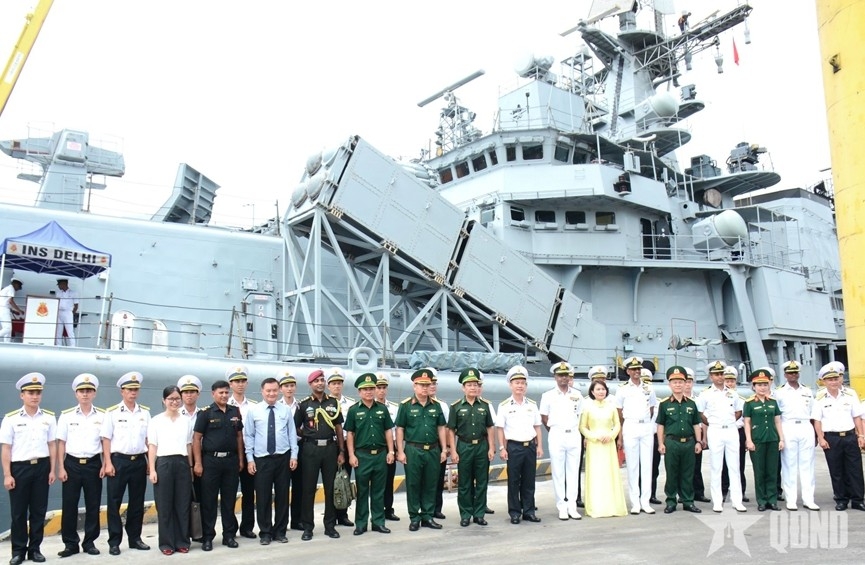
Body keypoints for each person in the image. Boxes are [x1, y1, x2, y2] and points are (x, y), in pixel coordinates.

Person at [1, 373, 56, 565]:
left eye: (38, 392)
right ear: (22, 395)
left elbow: (52, 445)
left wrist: (52, 470)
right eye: (30, 392)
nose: (35, 396)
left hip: (41, 467)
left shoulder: (48, 418)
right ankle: (18, 551)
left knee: (38, 511)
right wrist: (7, 474)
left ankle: (35, 550)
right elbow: (6, 448)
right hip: (20, 468)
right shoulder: (11, 419)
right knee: (18, 513)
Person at [101, 371, 151, 555]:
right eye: (129, 389)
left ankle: (135, 538)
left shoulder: (144, 413)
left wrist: (149, 462)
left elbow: (148, 440)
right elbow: (106, 439)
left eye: (135, 389)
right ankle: (114, 541)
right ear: (122, 391)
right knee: (114, 502)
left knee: (137, 502)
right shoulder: (112, 413)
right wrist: (107, 463)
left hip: (138, 461)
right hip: (118, 461)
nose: (133, 392)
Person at [244, 377, 299, 545]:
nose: (271, 393)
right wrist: (250, 459)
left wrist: (294, 456)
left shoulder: (285, 410)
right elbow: (249, 436)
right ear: (262, 391)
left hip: (283, 458)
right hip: (262, 460)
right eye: (268, 390)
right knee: (263, 497)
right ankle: (265, 532)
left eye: (275, 390)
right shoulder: (254, 411)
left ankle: (280, 531)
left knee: (282, 496)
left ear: (279, 391)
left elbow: (292, 434)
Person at [57, 374, 104, 558]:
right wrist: (60, 467)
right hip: (72, 464)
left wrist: (104, 463)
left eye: (89, 391)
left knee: (93, 505)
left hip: (93, 463)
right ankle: (70, 544)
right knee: (69, 505)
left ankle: (89, 542)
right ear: (76, 394)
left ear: (94, 393)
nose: (85, 394)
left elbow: (104, 441)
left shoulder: (102, 415)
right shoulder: (66, 416)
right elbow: (61, 443)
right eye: (82, 391)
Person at [192, 379, 243, 551]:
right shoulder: (205, 413)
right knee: (209, 502)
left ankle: (228, 536)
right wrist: (198, 463)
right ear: (213, 394)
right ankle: (208, 537)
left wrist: (241, 460)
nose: (224, 395)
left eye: (226, 392)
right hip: (211, 462)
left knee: (229, 501)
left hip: (230, 461)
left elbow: (239, 437)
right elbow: (197, 439)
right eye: (220, 393)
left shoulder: (235, 412)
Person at [295, 369, 345, 541]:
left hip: (330, 449)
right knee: (308, 489)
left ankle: (330, 526)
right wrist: (308, 436)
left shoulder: (333, 403)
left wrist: (342, 451)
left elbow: (338, 428)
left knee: (330, 488)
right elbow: (296, 427)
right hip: (310, 450)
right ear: (311, 384)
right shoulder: (304, 404)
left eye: (322, 380)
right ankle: (308, 527)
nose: (320, 383)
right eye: (316, 381)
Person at [396, 368, 448, 531]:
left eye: (427, 385)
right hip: (413, 449)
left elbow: (441, 428)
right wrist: (400, 451)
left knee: (430, 483)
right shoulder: (405, 406)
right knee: (413, 484)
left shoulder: (436, 406)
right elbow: (400, 429)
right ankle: (414, 517)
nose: (425, 388)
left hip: (432, 449)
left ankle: (427, 515)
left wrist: (444, 449)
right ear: (414, 386)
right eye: (421, 385)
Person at [345, 373, 395, 535]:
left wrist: (391, 451)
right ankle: (361, 523)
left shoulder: (382, 409)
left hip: (380, 454)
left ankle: (378, 522)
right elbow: (350, 434)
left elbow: (388, 430)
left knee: (379, 491)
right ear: (359, 392)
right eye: (365, 389)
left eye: (371, 389)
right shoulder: (353, 411)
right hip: (362, 455)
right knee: (362, 491)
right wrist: (351, 455)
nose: (369, 392)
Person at [811, 362, 865, 511]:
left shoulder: (850, 394)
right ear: (824, 381)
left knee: (855, 469)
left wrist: (861, 435)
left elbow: (857, 417)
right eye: (830, 379)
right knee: (836, 470)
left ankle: (858, 499)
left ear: (841, 379)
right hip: (831, 438)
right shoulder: (820, 397)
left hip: (849, 436)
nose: (833, 382)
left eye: (836, 378)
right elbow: (817, 420)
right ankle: (841, 499)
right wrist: (821, 438)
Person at [147, 386, 193, 555]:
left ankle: (182, 541)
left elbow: (188, 445)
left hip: (182, 463)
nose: (174, 402)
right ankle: (166, 543)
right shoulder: (156, 420)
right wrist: (152, 469)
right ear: (163, 401)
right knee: (165, 505)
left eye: (177, 399)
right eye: (171, 399)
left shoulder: (186, 420)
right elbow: (152, 446)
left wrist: (190, 466)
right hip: (164, 463)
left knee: (182, 504)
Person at [696, 361, 746, 513]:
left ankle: (737, 501)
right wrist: (711, 422)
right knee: (716, 467)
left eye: (722, 374)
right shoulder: (705, 394)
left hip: (731, 430)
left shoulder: (732, 393)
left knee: (734, 467)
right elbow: (700, 413)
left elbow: (739, 411)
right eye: (716, 374)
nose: (720, 377)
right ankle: (717, 501)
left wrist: (730, 421)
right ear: (711, 376)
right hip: (715, 430)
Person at [448, 368, 495, 527]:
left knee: (482, 482)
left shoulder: (485, 406)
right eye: (469, 385)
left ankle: (479, 514)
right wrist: (453, 450)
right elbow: (451, 430)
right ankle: (466, 514)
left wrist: (491, 448)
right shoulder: (456, 407)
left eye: (475, 385)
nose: (473, 388)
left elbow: (490, 428)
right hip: (464, 446)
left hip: (482, 446)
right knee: (464, 483)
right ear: (463, 388)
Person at [496, 365, 543, 525]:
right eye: (516, 382)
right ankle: (515, 512)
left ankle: (529, 511)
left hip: (529, 446)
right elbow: (500, 429)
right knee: (514, 481)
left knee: (529, 481)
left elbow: (537, 427)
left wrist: (539, 446)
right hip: (514, 447)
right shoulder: (504, 406)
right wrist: (502, 448)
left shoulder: (532, 405)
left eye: (523, 383)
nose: (520, 386)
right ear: (510, 385)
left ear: (526, 386)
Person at [539, 361, 583, 520]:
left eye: (566, 375)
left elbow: (580, 414)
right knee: (558, 472)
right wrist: (555, 430)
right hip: (557, 434)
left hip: (573, 434)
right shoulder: (548, 395)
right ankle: (561, 506)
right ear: (555, 377)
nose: (563, 378)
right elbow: (544, 418)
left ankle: (572, 505)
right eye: (560, 375)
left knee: (573, 472)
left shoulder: (577, 394)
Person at [656, 366, 703, 514]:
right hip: (672, 442)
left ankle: (688, 501)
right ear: (669, 384)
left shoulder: (691, 403)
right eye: (674, 382)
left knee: (688, 473)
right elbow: (661, 425)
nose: (678, 385)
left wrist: (698, 441)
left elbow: (696, 424)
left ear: (685, 384)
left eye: (681, 382)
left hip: (689, 442)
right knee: (672, 473)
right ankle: (671, 501)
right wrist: (661, 443)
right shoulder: (664, 404)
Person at [615, 356, 658, 515]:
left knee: (647, 465)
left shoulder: (649, 388)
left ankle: (645, 502)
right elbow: (619, 414)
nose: (636, 372)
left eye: (638, 369)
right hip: (630, 425)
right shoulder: (622, 389)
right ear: (628, 371)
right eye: (633, 369)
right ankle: (635, 502)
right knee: (632, 466)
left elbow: (652, 408)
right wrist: (620, 437)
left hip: (646, 425)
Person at [774, 360, 819, 511]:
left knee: (808, 465)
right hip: (788, 426)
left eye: (795, 372)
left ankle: (808, 499)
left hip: (806, 426)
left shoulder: (807, 391)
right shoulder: (779, 392)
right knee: (789, 465)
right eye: (790, 372)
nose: (793, 375)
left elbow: (814, 413)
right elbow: (776, 416)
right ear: (785, 374)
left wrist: (816, 434)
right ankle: (791, 499)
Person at [579, 379, 627, 518]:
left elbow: (617, 424)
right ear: (592, 392)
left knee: (609, 474)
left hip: (608, 444)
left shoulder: (611, 407)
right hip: (594, 445)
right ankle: (596, 507)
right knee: (596, 474)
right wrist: (593, 437)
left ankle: (612, 506)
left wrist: (611, 436)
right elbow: (582, 426)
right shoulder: (587, 407)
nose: (601, 391)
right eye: (598, 389)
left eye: (603, 389)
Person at [743, 369, 784, 511]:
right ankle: (761, 500)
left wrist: (781, 439)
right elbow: (747, 422)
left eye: (765, 384)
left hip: (772, 439)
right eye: (759, 385)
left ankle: (772, 500)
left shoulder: (773, 402)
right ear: (753, 386)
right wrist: (749, 440)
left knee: (772, 471)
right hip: (757, 440)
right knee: (759, 471)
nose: (763, 387)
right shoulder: (749, 403)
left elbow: (777, 421)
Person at [226, 365, 258, 539]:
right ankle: (230, 528)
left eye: (243, 381)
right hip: (231, 456)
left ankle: (247, 527)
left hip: (249, 454)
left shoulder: (252, 407)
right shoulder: (226, 405)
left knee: (249, 493)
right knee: (229, 494)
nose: (240, 384)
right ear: (230, 384)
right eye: (236, 381)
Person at [327, 368, 355, 528]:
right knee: (331, 482)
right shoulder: (323, 403)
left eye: (339, 383)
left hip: (345, 445)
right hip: (330, 446)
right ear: (328, 386)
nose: (337, 386)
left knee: (344, 480)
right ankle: (331, 515)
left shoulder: (350, 404)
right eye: (334, 384)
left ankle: (343, 514)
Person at [278, 370, 304, 531]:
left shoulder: (301, 406)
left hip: (300, 448)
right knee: (282, 487)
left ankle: (297, 519)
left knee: (299, 486)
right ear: (281, 388)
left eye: (292, 385)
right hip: (282, 450)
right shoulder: (276, 406)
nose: (289, 389)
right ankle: (282, 521)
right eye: (286, 386)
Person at [720, 366, 749, 503]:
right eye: (727, 380)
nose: (729, 383)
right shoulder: (718, 396)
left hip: (738, 432)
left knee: (739, 464)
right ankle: (724, 491)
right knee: (723, 464)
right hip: (722, 431)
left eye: (732, 380)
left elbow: (745, 418)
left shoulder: (742, 398)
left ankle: (740, 491)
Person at [374, 372, 401, 521]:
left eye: (384, 387)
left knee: (388, 480)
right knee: (375, 482)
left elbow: (397, 430)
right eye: (378, 387)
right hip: (375, 447)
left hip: (390, 448)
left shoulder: (394, 408)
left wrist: (396, 450)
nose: (381, 391)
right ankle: (376, 510)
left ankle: (388, 509)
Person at [178, 374, 202, 535]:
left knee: (201, 498)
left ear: (198, 394)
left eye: (192, 391)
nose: (189, 395)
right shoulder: (175, 415)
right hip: (182, 462)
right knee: (182, 500)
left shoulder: (204, 414)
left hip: (201, 462)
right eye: (186, 392)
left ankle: (200, 533)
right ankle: (183, 534)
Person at [684, 368, 709, 503]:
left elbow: (702, 420)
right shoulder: (676, 399)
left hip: (696, 435)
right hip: (683, 434)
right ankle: (683, 494)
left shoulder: (698, 399)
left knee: (696, 466)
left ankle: (698, 493)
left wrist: (703, 438)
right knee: (683, 467)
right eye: (685, 381)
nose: (687, 385)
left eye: (689, 381)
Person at [428, 370, 449, 520]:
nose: (432, 386)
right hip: (423, 447)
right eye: (429, 384)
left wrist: (447, 447)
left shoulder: (442, 406)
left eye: (434, 384)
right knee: (424, 480)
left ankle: (436, 508)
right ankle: (424, 510)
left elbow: (447, 428)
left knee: (438, 478)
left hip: (438, 446)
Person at [55, 278, 79, 347]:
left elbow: (76, 305)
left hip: (68, 312)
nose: (58, 286)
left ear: (64, 284)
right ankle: (58, 345)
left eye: (59, 285)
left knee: (70, 331)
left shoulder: (74, 293)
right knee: (58, 331)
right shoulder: (58, 293)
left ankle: (73, 346)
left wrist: (72, 313)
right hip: (59, 312)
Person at [0, 278, 23, 343]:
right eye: (19, 287)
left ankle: (7, 343)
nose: (18, 289)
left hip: (2, 309)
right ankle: (7, 343)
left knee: (7, 329)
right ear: (16, 284)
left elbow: (5, 302)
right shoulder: (11, 289)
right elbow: (10, 301)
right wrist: (19, 310)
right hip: (4, 310)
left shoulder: (6, 288)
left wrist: (14, 311)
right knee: (8, 328)